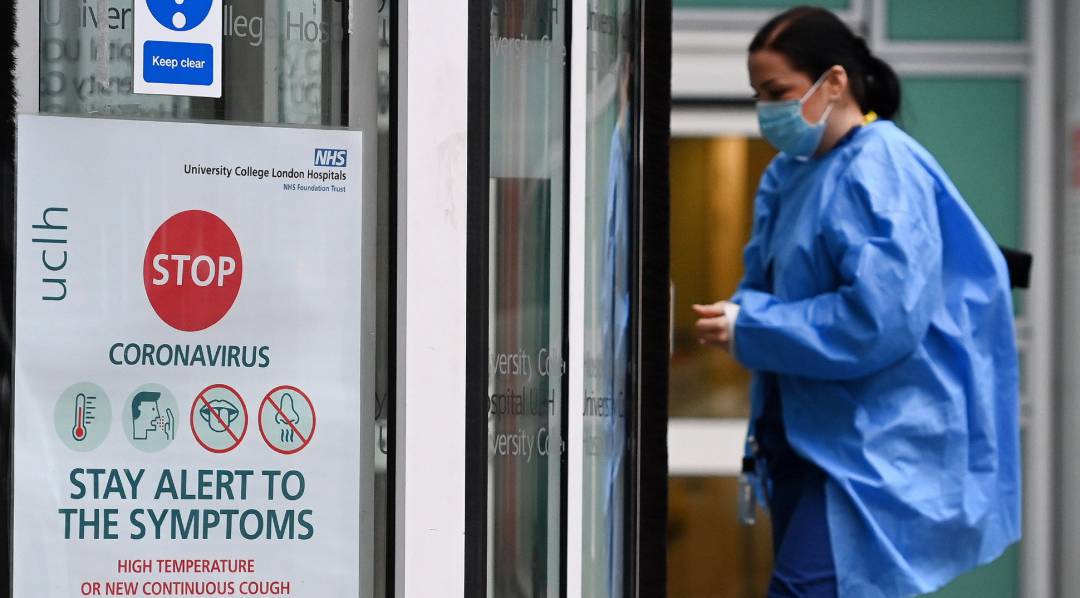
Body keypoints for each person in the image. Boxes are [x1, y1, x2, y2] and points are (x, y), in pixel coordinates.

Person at [693, 6, 1021, 598]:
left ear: (835, 82)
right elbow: (759, 286)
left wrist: (754, 326)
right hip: (800, 436)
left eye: (777, 92)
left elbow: (879, 321)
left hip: (867, 450)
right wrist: (741, 318)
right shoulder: (789, 176)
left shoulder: (882, 166)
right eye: (758, 94)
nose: (767, 109)